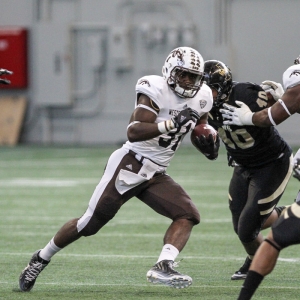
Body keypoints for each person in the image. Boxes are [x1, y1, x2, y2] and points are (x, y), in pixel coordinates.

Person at [18, 46, 220, 292]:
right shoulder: (154, 89)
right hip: (130, 163)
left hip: (156, 173)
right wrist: (169, 123)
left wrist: (207, 142)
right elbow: (134, 132)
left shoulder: (203, 96)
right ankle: (41, 258)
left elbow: (200, 125)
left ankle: (163, 265)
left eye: (194, 77)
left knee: (188, 214)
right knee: (88, 225)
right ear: (170, 71)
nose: (188, 81)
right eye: (183, 74)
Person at [201, 60, 293, 281]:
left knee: (247, 228)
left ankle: (258, 265)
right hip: (243, 165)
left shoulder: (245, 94)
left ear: (223, 86)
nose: (204, 93)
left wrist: (274, 100)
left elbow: (274, 113)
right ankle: (292, 216)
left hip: (272, 163)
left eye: (210, 88)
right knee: (241, 221)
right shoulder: (201, 102)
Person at [219, 55, 300, 299]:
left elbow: (271, 117)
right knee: (255, 226)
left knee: (253, 228)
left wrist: (248, 118)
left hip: (272, 162)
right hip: (246, 165)